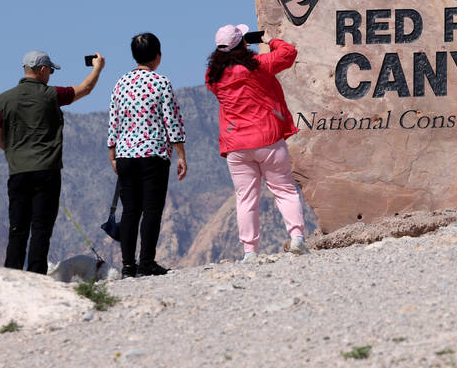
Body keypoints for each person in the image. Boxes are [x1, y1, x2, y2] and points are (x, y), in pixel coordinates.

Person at [0, 50, 104, 273]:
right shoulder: (51, 95)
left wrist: (15, 153)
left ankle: (11, 275)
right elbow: (85, 89)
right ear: (43, 70)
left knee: (18, 228)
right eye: (50, 71)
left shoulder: (4, 98)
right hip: (46, 172)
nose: (51, 75)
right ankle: (36, 275)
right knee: (41, 228)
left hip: (18, 172)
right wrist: (97, 68)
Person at [206, 24, 307, 261]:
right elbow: (289, 53)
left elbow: (228, 72)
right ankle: (297, 238)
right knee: (283, 189)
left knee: (246, 198)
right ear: (242, 42)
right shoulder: (259, 66)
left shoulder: (212, 76)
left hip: (236, 145)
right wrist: (270, 40)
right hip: (267, 138)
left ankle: (249, 251)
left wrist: (240, 48)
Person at [107, 33, 187, 278]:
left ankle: (128, 266)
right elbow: (171, 120)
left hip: (126, 155)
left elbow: (114, 121)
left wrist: (113, 153)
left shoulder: (121, 83)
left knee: (130, 210)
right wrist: (181, 154)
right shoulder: (161, 82)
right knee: (152, 210)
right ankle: (147, 262)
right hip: (154, 154)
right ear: (158, 56)